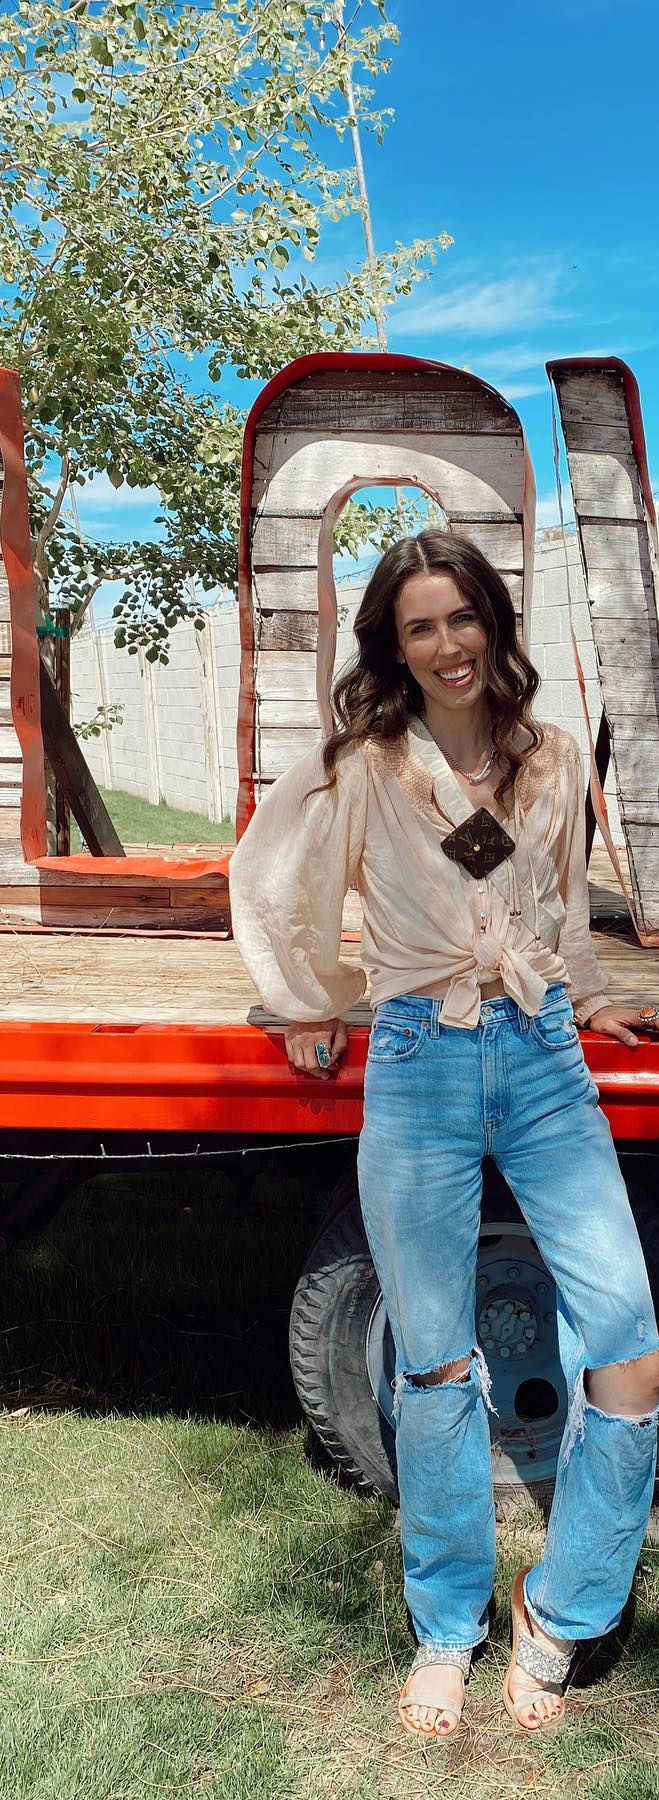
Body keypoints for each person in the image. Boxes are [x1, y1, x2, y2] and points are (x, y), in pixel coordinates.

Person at [229, 529, 659, 1738]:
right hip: (419, 1062)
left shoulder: (549, 755)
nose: (445, 644)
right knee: (430, 1364)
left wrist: (587, 990)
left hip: (541, 1060)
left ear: (492, 623)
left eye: (461, 617)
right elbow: (275, 876)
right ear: (394, 644)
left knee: (629, 1348)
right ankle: (445, 1627)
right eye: (418, 626)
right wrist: (310, 999)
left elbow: (558, 902)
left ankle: (560, 1610)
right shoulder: (365, 765)